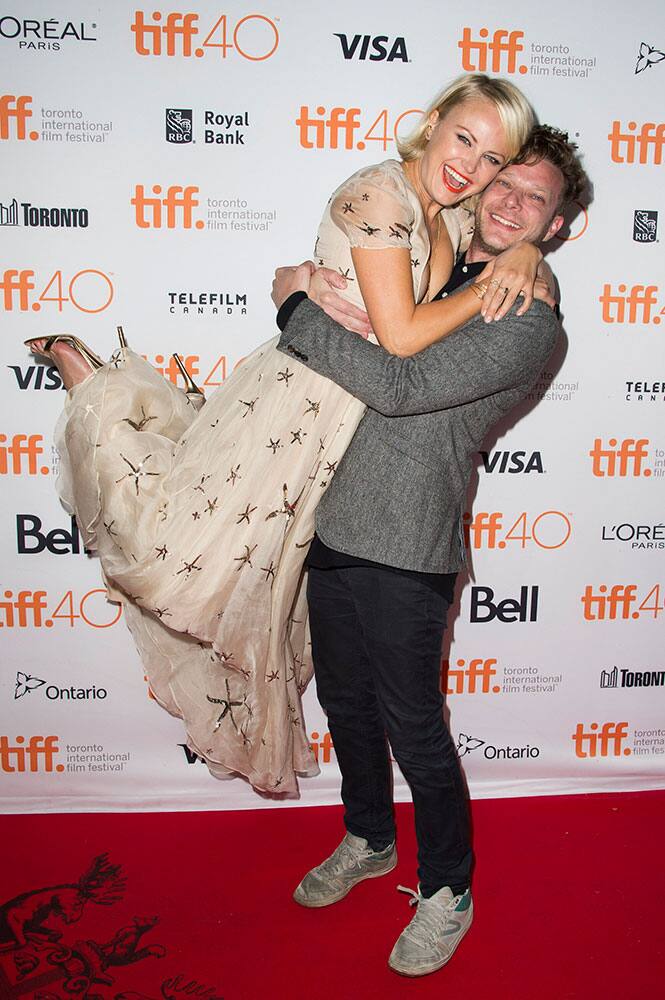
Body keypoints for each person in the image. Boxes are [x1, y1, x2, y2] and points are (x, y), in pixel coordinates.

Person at [25, 75, 543, 796]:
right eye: (464, 139)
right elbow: (397, 338)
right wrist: (484, 287)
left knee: (261, 600)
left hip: (344, 435)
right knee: (172, 554)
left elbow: (483, 273)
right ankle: (92, 383)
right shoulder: (379, 195)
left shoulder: (453, 221)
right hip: (295, 406)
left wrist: (527, 257)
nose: (472, 166)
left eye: (492, 159)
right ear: (430, 123)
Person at [269, 125, 588, 977]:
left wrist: (293, 308)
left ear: (555, 227)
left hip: (408, 540)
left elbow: (401, 387)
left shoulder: (529, 316)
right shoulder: (439, 267)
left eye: (536, 200)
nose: (511, 203)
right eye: (502, 182)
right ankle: (370, 837)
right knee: (344, 705)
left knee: (415, 728)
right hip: (331, 520)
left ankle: (448, 887)